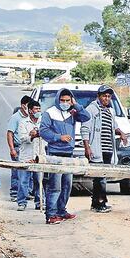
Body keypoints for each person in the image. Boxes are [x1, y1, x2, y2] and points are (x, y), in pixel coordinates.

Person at [40, 88, 90, 224]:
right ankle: (51, 215)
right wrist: (59, 137)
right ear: (57, 100)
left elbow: (86, 117)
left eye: (68, 100)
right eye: (62, 100)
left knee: (67, 185)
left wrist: (76, 105)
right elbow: (43, 131)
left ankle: (61, 211)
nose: (65, 103)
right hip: (55, 154)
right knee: (55, 186)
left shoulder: (72, 113)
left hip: (69, 154)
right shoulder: (49, 113)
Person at [82, 86, 126, 213]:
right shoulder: (91, 109)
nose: (106, 98)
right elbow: (85, 129)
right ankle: (99, 204)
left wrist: (121, 133)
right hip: (97, 149)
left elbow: (114, 127)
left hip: (108, 149)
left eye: (108, 96)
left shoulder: (110, 111)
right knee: (99, 177)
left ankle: (98, 202)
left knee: (103, 176)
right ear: (99, 96)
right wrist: (87, 147)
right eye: (104, 96)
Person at [15, 100, 44, 211]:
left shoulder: (43, 122)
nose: (38, 111)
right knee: (23, 181)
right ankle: (22, 202)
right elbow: (22, 138)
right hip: (26, 156)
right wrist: (31, 136)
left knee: (39, 180)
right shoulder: (23, 122)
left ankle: (40, 202)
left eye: (39, 109)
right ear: (30, 110)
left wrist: (40, 133)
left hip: (39, 156)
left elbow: (47, 135)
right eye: (36, 109)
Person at [6, 96, 32, 202]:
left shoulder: (30, 118)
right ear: (23, 105)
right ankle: (15, 193)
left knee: (28, 171)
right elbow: (10, 133)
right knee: (16, 172)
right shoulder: (15, 117)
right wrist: (12, 149)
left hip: (28, 148)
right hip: (18, 147)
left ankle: (27, 192)